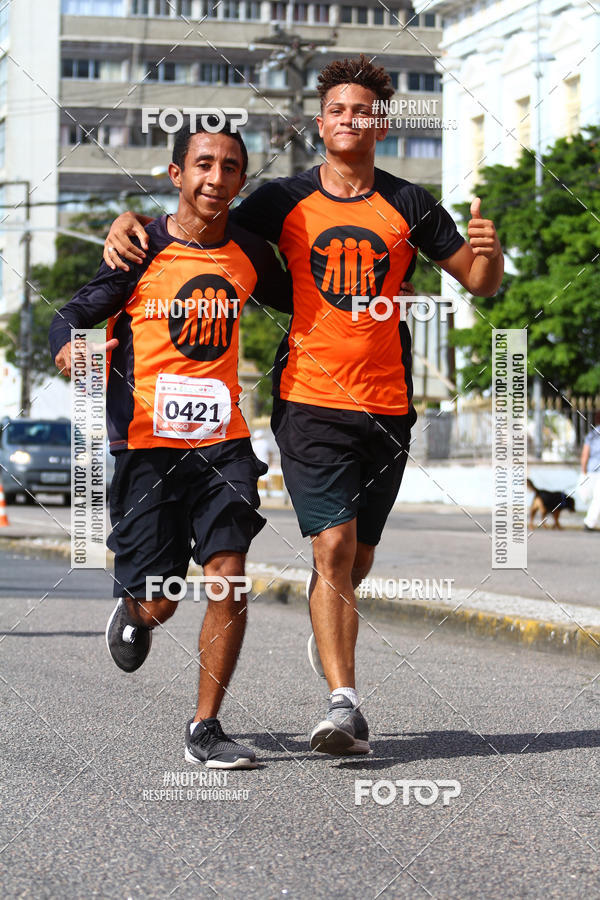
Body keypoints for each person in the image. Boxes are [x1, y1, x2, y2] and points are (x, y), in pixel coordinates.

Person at [102, 55, 504, 757]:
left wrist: (488, 254)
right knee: (332, 546)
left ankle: (330, 634)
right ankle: (343, 705)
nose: (349, 119)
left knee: (356, 557)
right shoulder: (281, 200)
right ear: (321, 123)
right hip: (308, 400)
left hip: (389, 407)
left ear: (381, 122)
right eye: (338, 110)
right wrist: (129, 219)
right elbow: (202, 216)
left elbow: (480, 283)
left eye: (363, 110)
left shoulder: (411, 203)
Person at [49, 123, 292, 768]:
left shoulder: (248, 253)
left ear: (242, 180)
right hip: (145, 444)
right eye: (204, 164)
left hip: (223, 442)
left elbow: (311, 300)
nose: (217, 178)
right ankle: (134, 605)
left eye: (231, 167)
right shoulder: (140, 248)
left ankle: (206, 727)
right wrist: (68, 347)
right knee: (160, 599)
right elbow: (71, 313)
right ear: (175, 173)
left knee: (229, 580)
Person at [580, 412, 600, 531]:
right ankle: (589, 523)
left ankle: (590, 522)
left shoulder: (592, 434)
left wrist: (583, 471)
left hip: (591, 470)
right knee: (597, 498)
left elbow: (585, 454)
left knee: (594, 497)